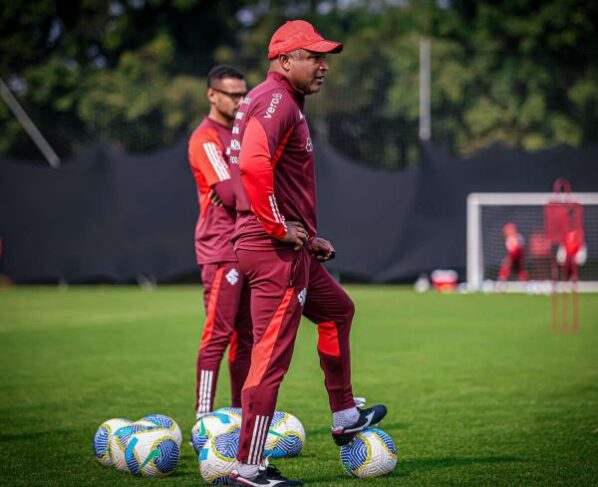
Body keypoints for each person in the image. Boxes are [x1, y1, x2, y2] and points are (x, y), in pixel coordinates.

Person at [227, 21, 387, 486]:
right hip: (272, 250)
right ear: (283, 61)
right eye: (313, 57)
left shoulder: (280, 101)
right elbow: (253, 165)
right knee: (269, 359)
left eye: (325, 58)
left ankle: (343, 414)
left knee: (338, 311)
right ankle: (248, 469)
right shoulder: (276, 100)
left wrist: (305, 236)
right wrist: (280, 228)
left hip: (284, 247)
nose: (323, 66)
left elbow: (266, 173)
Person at [187, 65, 252, 418]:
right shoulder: (205, 137)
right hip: (220, 249)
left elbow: (241, 187)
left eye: (244, 94)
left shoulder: (242, 134)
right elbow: (229, 195)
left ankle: (241, 416)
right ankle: (203, 419)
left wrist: (242, 187)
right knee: (218, 334)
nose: (241, 101)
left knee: (248, 338)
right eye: (233, 94)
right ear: (212, 94)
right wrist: (244, 187)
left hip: (247, 247)